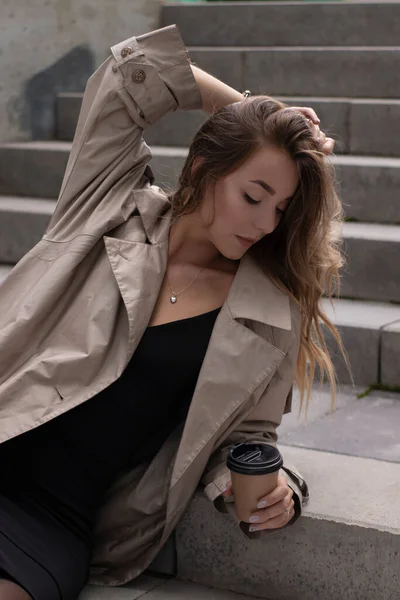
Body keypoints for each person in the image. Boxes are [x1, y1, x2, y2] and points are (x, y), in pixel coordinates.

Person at [0, 23, 348, 600]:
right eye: (253, 196)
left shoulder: (265, 312)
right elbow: (127, 75)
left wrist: (279, 484)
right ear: (202, 170)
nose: (265, 223)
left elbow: (243, 435)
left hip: (52, 519)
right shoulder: (106, 207)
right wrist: (252, 113)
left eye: (281, 209)